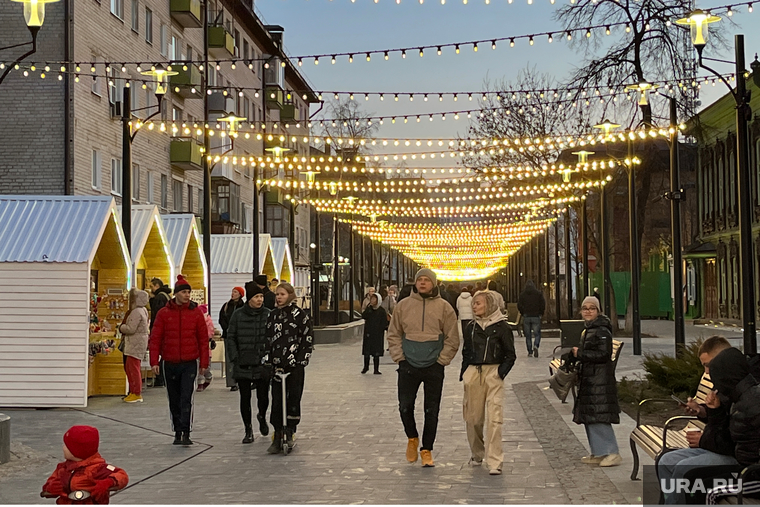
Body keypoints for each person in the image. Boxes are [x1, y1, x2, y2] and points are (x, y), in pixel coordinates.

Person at [387, 268, 460, 468]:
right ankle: (412, 437)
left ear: (434, 283)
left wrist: (442, 360)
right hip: (408, 365)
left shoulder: (445, 307)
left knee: (432, 410)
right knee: (405, 406)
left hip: (433, 367)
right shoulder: (403, 306)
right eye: (420, 280)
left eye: (427, 280)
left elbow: (452, 337)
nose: (423, 283)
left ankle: (427, 449)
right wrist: (399, 358)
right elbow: (393, 333)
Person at [658, 336, 739, 504]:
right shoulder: (722, 384)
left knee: (683, 470)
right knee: (665, 461)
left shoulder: (740, 389)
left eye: (708, 365)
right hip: (716, 445)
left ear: (723, 359)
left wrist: (703, 440)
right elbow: (719, 420)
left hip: (734, 454)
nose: (707, 372)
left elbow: (732, 436)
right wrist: (701, 410)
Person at [460, 291, 517, 475]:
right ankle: (477, 453)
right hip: (474, 372)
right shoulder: (470, 327)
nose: (474, 306)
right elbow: (466, 351)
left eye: (478, 303)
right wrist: (465, 373)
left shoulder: (502, 327)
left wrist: (500, 373)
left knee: (495, 417)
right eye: (474, 304)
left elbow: (510, 354)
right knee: (473, 418)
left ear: (490, 305)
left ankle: (495, 461)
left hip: (494, 372)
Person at [149, 275, 209, 446]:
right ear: (176, 294)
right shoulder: (164, 313)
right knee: (173, 398)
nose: (187, 295)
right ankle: (177, 430)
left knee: (186, 397)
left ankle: (186, 431)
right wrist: (154, 361)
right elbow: (156, 338)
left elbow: (203, 339)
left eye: (189, 292)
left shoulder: (196, 313)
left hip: (189, 362)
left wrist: (204, 362)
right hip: (169, 362)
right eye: (184, 292)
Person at [571, 296, 621, 467]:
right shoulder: (589, 329)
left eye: (592, 308)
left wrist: (580, 354)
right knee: (591, 416)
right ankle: (599, 451)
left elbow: (604, 355)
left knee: (599, 416)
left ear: (598, 311)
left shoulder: (601, 330)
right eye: (585, 308)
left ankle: (612, 452)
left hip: (599, 380)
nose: (588, 311)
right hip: (590, 378)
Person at [705, 347, 760, 505]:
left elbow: (726, 443)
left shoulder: (752, 404)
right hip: (744, 467)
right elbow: (725, 440)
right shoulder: (738, 398)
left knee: (711, 492)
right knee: (691, 478)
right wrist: (715, 412)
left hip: (752, 472)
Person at [265, 282, 314, 454]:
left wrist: (301, 360)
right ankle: (277, 433)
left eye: (282, 294)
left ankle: (290, 430)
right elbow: (267, 340)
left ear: (290, 296)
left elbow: (307, 339)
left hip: (295, 366)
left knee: (293, 398)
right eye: (277, 294)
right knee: (277, 400)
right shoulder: (272, 316)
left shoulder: (300, 316)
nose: (279, 297)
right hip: (277, 366)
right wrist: (267, 360)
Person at [227, 282, 272, 444]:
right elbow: (230, 336)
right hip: (243, 362)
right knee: (244, 397)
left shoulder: (268, 314)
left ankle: (261, 415)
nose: (259, 300)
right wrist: (235, 357)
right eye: (256, 297)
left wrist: (269, 355)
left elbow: (272, 337)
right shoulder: (238, 315)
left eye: (261, 296)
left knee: (263, 396)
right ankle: (248, 429)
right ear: (249, 299)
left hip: (261, 362)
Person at [40, 425, 128, 504]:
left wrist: (108, 482)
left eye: (67, 446)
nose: (63, 448)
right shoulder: (62, 468)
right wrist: (50, 489)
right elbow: (48, 486)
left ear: (77, 450)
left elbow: (122, 475)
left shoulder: (98, 468)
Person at [119, 289, 150, 403]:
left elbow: (131, 329)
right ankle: (134, 391)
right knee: (132, 367)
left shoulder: (136, 312)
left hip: (134, 343)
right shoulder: (144, 310)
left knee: (133, 368)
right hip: (138, 342)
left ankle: (136, 393)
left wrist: (121, 327)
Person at [219, 287, 246, 392]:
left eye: (235, 292)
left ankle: (240, 379)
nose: (233, 294)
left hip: (240, 336)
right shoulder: (226, 306)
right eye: (232, 292)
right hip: (227, 335)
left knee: (239, 358)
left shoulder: (243, 307)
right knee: (229, 358)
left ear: (240, 294)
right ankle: (231, 382)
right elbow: (221, 319)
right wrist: (227, 329)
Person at [148, 278, 172, 387]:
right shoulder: (166, 296)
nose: (150, 289)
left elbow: (157, 314)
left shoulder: (160, 297)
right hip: (167, 329)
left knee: (162, 353)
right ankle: (163, 378)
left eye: (151, 286)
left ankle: (160, 378)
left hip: (162, 330)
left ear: (156, 286)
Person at [518, 280, 546, 358]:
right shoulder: (538, 294)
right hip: (536, 316)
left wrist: (523, 312)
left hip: (526, 316)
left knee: (528, 335)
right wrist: (541, 313)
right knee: (537, 334)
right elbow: (542, 304)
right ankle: (536, 345)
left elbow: (519, 305)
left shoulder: (522, 295)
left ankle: (530, 351)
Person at [361, 293, 388, 374]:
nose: (372, 301)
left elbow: (384, 323)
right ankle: (366, 367)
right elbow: (364, 316)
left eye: (374, 299)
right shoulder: (369, 309)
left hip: (377, 334)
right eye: (371, 299)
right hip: (368, 333)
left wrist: (381, 329)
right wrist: (368, 308)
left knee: (376, 352)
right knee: (367, 352)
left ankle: (376, 369)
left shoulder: (381, 311)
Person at [195, 304, 216, 393]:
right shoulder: (196, 321)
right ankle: (199, 383)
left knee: (206, 367)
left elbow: (210, 334)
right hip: (196, 348)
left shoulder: (208, 322)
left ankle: (208, 378)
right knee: (198, 366)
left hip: (206, 348)